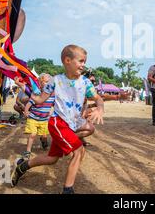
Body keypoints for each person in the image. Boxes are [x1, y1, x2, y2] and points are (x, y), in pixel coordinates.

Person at [11, 45, 105, 194]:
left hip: (72, 125)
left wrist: (100, 109)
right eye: (80, 61)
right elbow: (39, 99)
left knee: (52, 158)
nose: (83, 65)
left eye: (84, 61)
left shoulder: (85, 82)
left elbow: (98, 98)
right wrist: (23, 87)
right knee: (79, 151)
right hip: (58, 123)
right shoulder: (55, 81)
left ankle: (22, 167)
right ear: (67, 60)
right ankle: (67, 190)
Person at [21, 73, 54, 159]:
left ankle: (44, 142)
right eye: (44, 82)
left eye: (48, 82)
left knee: (44, 136)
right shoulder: (37, 94)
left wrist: (53, 112)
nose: (47, 84)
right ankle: (28, 151)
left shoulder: (52, 95)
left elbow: (55, 105)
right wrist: (26, 111)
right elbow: (29, 103)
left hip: (44, 120)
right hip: (33, 118)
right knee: (32, 134)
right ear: (40, 83)